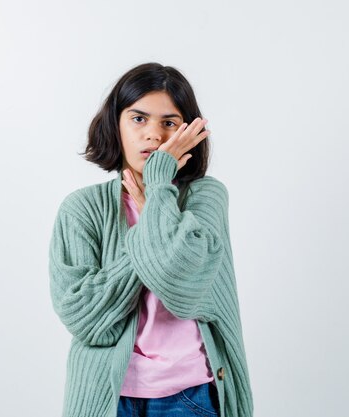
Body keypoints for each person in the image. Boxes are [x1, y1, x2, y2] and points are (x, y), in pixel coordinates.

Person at [48, 62, 254, 417]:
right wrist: (154, 234)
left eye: (169, 123)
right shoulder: (82, 209)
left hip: (191, 396)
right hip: (107, 398)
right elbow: (83, 317)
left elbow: (185, 286)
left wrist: (159, 186)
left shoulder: (206, 196)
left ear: (188, 133)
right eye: (139, 118)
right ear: (117, 123)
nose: (154, 135)